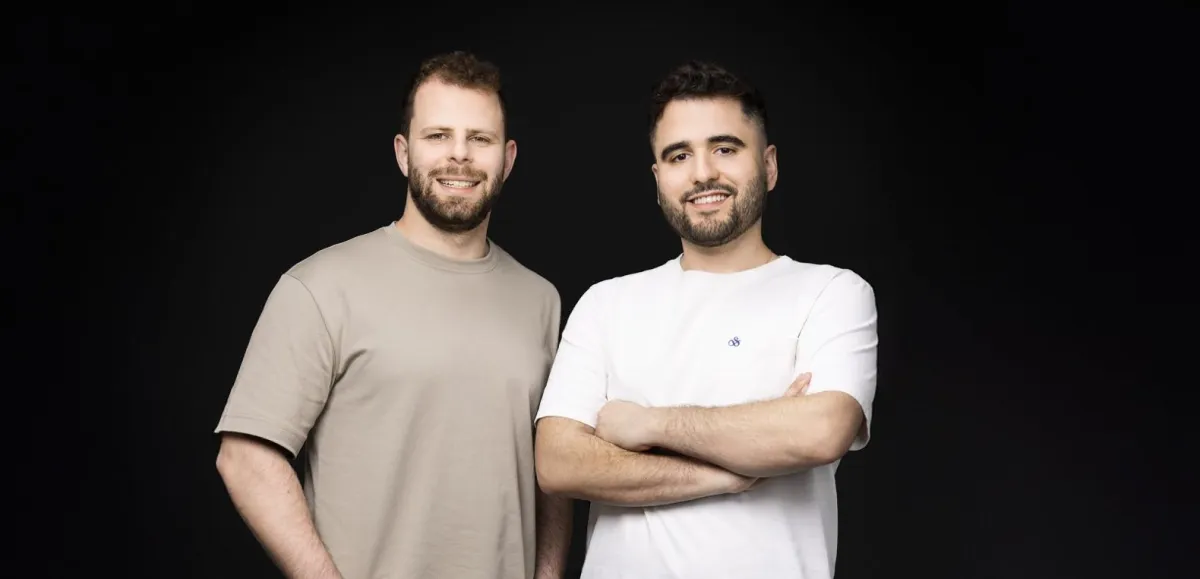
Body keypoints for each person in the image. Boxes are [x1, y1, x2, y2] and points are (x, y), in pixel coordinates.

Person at [213, 51, 572, 579]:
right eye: (438, 136)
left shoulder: (541, 301)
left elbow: (551, 475)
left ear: (508, 158)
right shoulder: (319, 287)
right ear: (404, 153)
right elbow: (244, 458)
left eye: (480, 138)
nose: (459, 155)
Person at [533, 60, 879, 578]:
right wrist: (731, 473)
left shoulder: (831, 293)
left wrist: (647, 424)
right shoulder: (606, 303)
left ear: (769, 165)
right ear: (658, 180)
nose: (702, 173)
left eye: (725, 148)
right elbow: (559, 463)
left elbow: (821, 431)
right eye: (679, 156)